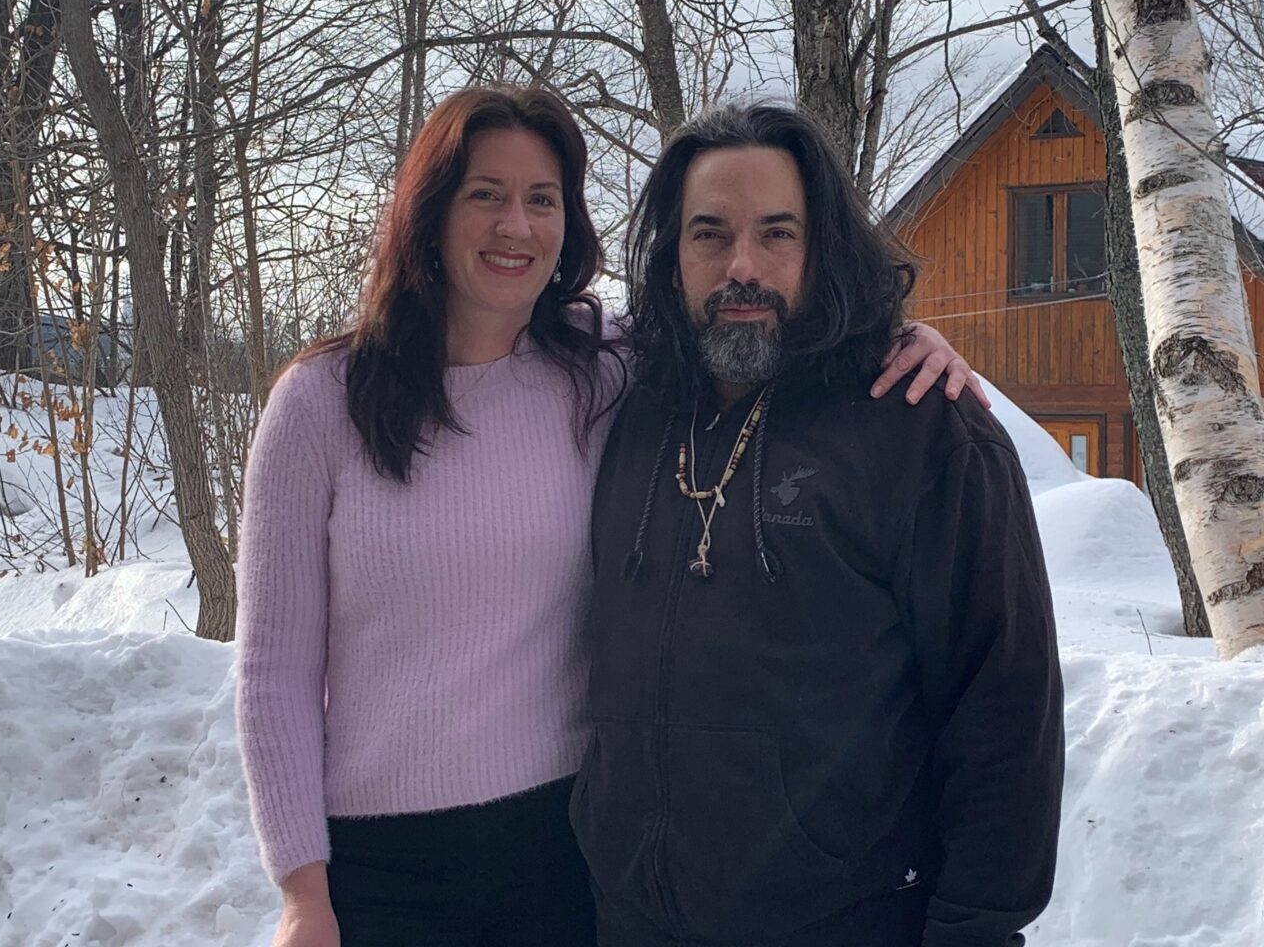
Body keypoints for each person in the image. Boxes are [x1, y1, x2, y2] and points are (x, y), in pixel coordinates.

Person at [234, 85, 982, 947]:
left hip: (563, 859)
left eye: (542, 199)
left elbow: (749, 322)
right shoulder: (320, 403)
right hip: (378, 870)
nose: (516, 226)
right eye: (486, 194)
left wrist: (896, 339)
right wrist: (302, 891)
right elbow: (274, 673)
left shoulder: (605, 369)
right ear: (428, 211)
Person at [576, 103, 1064, 947]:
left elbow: (1004, 708)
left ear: (823, 245)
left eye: (777, 233)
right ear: (669, 254)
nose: (742, 266)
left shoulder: (920, 427)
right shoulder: (625, 405)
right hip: (627, 920)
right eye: (709, 234)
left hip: (847, 919)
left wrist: (976, 930)